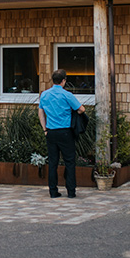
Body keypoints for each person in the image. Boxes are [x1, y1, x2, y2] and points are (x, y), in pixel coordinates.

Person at [38, 69, 85, 199]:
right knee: (69, 162)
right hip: (65, 132)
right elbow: (81, 109)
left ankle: (53, 191)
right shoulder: (67, 95)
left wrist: (45, 129)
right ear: (64, 81)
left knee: (53, 162)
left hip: (51, 132)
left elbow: (41, 113)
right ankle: (71, 192)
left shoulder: (45, 95)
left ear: (53, 80)